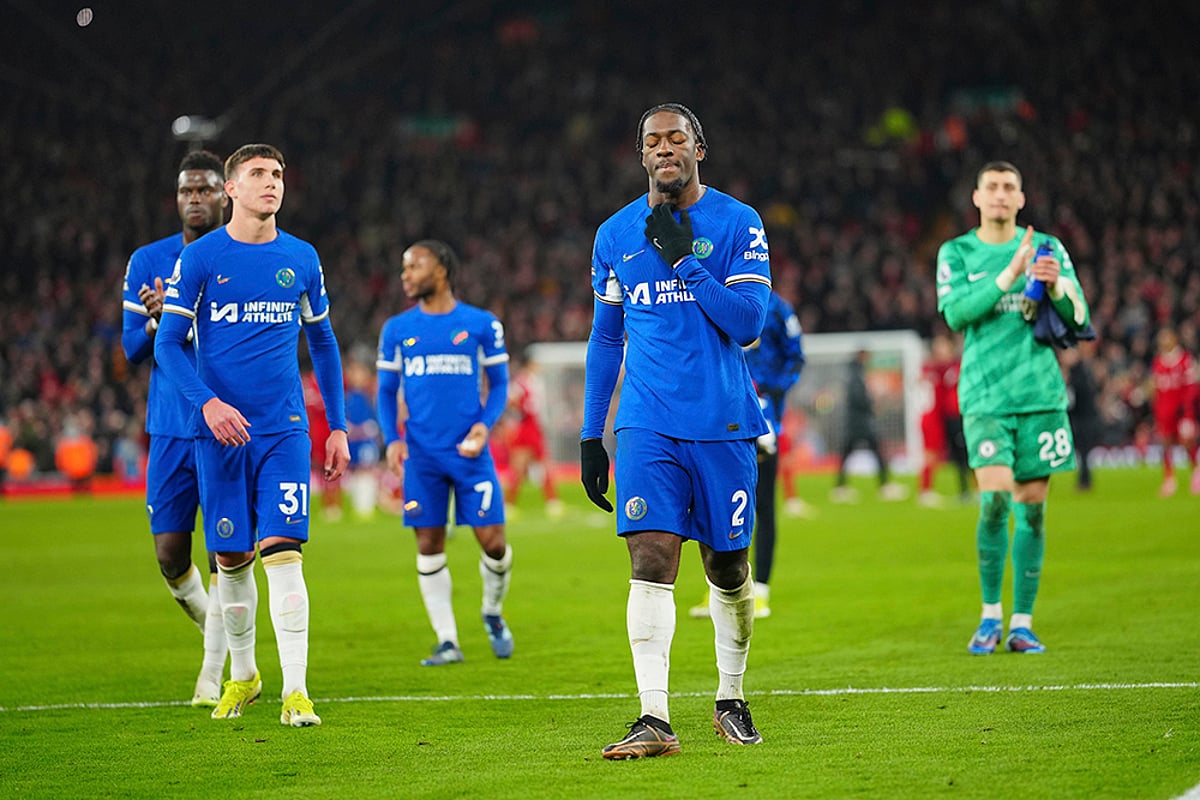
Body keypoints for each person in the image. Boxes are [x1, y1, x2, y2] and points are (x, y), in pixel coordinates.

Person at [580, 102, 769, 759]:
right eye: (653, 141)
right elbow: (606, 339)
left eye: (676, 139)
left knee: (727, 565)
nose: (665, 149)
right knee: (651, 559)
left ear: (699, 149)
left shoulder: (739, 222)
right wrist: (591, 434)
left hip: (722, 422)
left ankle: (730, 695)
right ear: (641, 155)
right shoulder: (615, 234)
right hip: (647, 423)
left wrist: (685, 261)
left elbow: (748, 323)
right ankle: (653, 717)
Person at [155, 143, 349, 727]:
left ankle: (297, 690)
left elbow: (323, 343)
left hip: (283, 431)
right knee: (231, 558)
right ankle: (243, 675)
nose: (272, 183)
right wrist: (209, 404)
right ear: (231, 189)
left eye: (278, 174)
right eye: (258, 174)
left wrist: (337, 425)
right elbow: (167, 345)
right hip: (218, 433)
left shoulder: (302, 258)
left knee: (283, 553)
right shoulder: (201, 259)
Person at [936, 160, 1091, 655]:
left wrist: (1055, 285)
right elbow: (957, 313)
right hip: (985, 397)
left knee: (1033, 510)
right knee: (996, 499)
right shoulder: (957, 252)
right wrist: (1011, 273)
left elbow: (1080, 315)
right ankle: (989, 616)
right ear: (977, 198)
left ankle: (1022, 623)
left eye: (1009, 187)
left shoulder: (1049, 248)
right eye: (992, 187)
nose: (1000, 194)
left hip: (1039, 396)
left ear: (1021, 198)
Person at [120, 149, 228, 706]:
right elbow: (131, 349)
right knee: (169, 555)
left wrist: (183, 316)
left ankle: (212, 674)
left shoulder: (237, 256)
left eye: (205, 189)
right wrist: (158, 321)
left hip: (222, 422)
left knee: (224, 554)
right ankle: (227, 634)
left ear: (224, 194)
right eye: (187, 190)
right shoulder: (148, 260)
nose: (195, 199)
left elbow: (233, 341)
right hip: (168, 425)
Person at [375, 240, 515, 667]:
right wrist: (392, 438)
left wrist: (484, 425)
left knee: (494, 544)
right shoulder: (396, 329)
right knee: (429, 543)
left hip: (470, 453)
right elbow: (386, 391)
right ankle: (447, 640)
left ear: (440, 271)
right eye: (404, 267)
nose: (405, 275)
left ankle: (492, 611)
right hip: (422, 455)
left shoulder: (481, 324)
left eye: (414, 266)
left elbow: (500, 384)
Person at [689, 290, 804, 620]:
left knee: (763, 505)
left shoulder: (778, 308)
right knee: (716, 505)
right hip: (719, 417)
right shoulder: (713, 294)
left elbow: (796, 356)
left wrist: (772, 391)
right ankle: (720, 588)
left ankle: (761, 591)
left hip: (763, 421)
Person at [831, 350, 906, 502]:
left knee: (849, 454)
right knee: (876, 452)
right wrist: (871, 403)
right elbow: (858, 398)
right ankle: (884, 486)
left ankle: (841, 487)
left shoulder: (853, 373)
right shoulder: (855, 376)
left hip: (855, 424)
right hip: (860, 424)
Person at [501, 355, 562, 517]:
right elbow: (510, 401)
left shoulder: (535, 381)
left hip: (535, 427)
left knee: (544, 465)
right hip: (526, 427)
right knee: (520, 467)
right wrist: (520, 413)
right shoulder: (521, 382)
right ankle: (508, 505)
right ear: (529, 364)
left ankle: (552, 502)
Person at [917, 333, 971, 506]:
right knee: (932, 454)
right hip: (933, 418)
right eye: (938, 347)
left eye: (943, 347)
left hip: (950, 417)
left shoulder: (952, 367)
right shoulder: (932, 370)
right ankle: (925, 491)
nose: (940, 350)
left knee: (963, 454)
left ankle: (971, 490)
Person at [1149, 327, 1199, 496]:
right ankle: (1169, 480)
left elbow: (1192, 387)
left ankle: (1196, 473)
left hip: (1183, 411)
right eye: (1161, 338)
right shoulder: (1158, 362)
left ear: (1174, 339)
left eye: (1166, 338)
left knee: (1187, 443)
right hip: (1164, 411)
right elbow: (1155, 387)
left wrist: (1188, 410)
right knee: (1166, 444)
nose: (1162, 341)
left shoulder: (1185, 359)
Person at [1063, 340, 1101, 491]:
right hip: (1084, 417)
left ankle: (1084, 481)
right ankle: (1084, 480)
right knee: (1083, 452)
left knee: (1083, 451)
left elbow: (1072, 398)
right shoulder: (1081, 371)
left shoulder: (1077, 374)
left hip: (1083, 418)